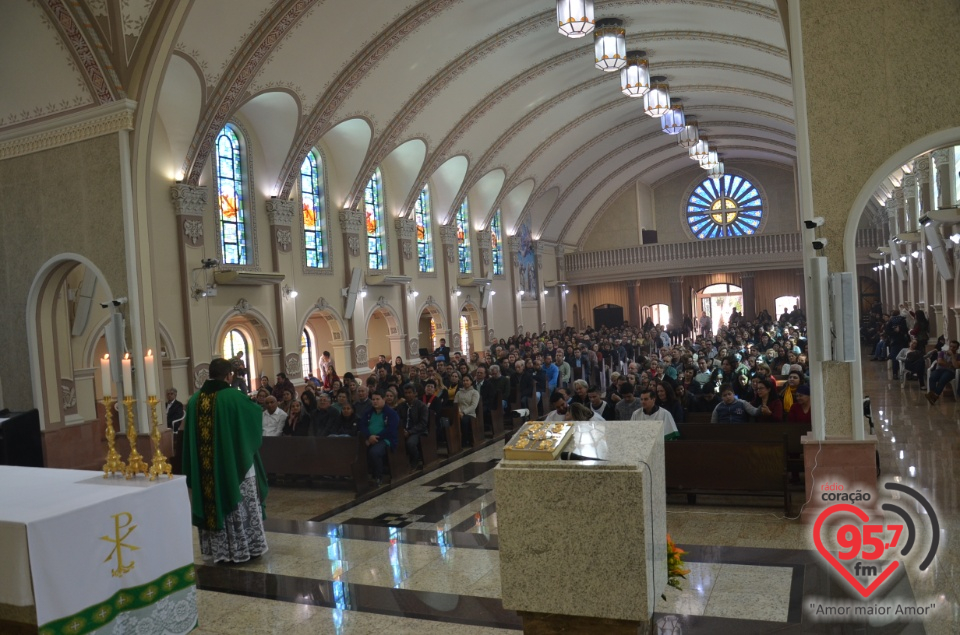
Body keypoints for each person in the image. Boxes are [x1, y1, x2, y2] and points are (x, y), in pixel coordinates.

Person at [182, 357, 268, 563]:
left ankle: (217, 551)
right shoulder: (233, 397)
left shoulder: (194, 401)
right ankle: (244, 547)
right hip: (232, 465)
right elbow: (255, 416)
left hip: (205, 469)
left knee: (212, 501)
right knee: (237, 500)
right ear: (229, 375)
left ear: (209, 374)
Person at [357, 390, 399, 485]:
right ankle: (362, 475)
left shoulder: (391, 413)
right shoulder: (368, 412)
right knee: (357, 450)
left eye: (377, 399)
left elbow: (390, 429)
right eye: (373, 399)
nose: (375, 401)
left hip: (386, 439)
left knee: (375, 452)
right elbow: (362, 425)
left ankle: (378, 476)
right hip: (369, 438)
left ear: (383, 399)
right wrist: (369, 436)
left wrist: (376, 438)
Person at [398, 383, 429, 467]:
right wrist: (402, 430)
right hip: (404, 430)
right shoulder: (401, 406)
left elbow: (423, 423)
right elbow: (399, 419)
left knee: (410, 443)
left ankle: (415, 460)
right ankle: (399, 464)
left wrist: (410, 432)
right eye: (406, 393)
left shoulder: (422, 406)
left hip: (417, 431)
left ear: (415, 394)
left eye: (410, 392)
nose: (407, 395)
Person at [926, 340, 960, 404]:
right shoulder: (942, 353)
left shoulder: (958, 356)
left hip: (950, 372)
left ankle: (933, 396)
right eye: (951, 346)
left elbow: (956, 366)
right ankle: (933, 396)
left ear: (957, 348)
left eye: (954, 347)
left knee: (942, 380)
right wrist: (950, 365)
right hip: (939, 370)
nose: (952, 348)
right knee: (932, 377)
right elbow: (940, 362)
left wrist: (952, 356)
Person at [454, 374, 480, 445]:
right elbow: (456, 404)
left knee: (464, 420)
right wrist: (459, 412)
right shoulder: (459, 392)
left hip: (470, 414)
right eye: (464, 381)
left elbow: (473, 406)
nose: (465, 382)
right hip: (459, 413)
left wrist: (463, 412)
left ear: (471, 381)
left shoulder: (475, 392)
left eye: (467, 380)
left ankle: (465, 440)